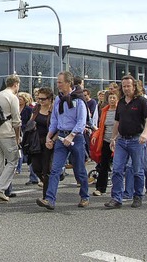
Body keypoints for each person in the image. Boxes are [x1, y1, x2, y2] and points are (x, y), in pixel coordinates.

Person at [36, 71, 89, 210]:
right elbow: (54, 119)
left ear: (68, 83)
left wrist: (71, 136)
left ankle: (84, 196)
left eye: (60, 82)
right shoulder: (58, 100)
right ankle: (50, 199)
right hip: (60, 137)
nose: (58, 84)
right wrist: (49, 136)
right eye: (57, 82)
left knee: (79, 169)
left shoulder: (79, 100)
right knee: (55, 169)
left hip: (75, 138)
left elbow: (81, 122)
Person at [104, 75, 147, 209]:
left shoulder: (142, 101)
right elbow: (117, 122)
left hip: (136, 139)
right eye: (124, 86)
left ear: (134, 86)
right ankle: (116, 198)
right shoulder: (120, 103)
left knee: (137, 170)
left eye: (128, 86)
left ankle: (138, 196)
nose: (126, 89)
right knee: (117, 170)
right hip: (121, 140)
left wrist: (145, 134)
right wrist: (113, 138)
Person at [0, 75, 22, 202]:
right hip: (6, 132)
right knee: (13, 160)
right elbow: (17, 121)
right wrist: (18, 137)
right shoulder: (12, 97)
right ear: (16, 84)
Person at [27, 88, 54, 198]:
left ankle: (46, 197)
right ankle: (50, 184)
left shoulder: (54, 110)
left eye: (43, 99)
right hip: (36, 142)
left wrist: (53, 139)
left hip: (49, 142)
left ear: (50, 99)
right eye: (39, 99)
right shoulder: (36, 108)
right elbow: (31, 122)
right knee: (36, 167)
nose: (41, 101)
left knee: (46, 169)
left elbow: (56, 126)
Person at [92, 91, 118, 196]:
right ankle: (100, 188)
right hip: (106, 140)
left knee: (118, 166)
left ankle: (118, 189)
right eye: (110, 98)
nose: (112, 100)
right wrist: (95, 135)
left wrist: (115, 138)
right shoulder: (105, 111)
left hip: (118, 141)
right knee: (103, 165)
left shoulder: (120, 110)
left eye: (114, 98)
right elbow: (101, 126)